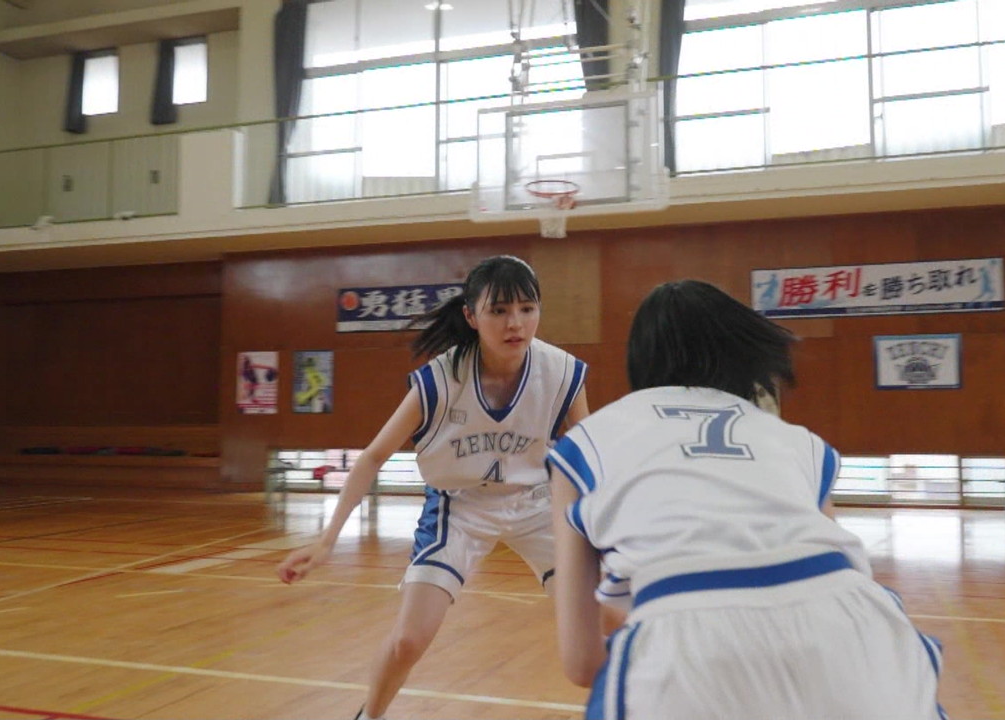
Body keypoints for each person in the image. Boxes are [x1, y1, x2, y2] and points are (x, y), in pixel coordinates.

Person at [546, 280, 945, 720]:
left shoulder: (583, 445)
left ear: (638, 359)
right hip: (860, 627)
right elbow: (843, 562)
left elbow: (582, 662)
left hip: (685, 645)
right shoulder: (800, 442)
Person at [277, 255, 589, 720]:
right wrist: (327, 540)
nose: (515, 323)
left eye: (527, 308)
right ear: (471, 316)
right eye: (499, 310)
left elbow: (587, 456)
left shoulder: (561, 372)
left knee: (601, 622)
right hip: (459, 507)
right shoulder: (441, 380)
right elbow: (373, 457)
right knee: (408, 641)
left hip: (538, 505)